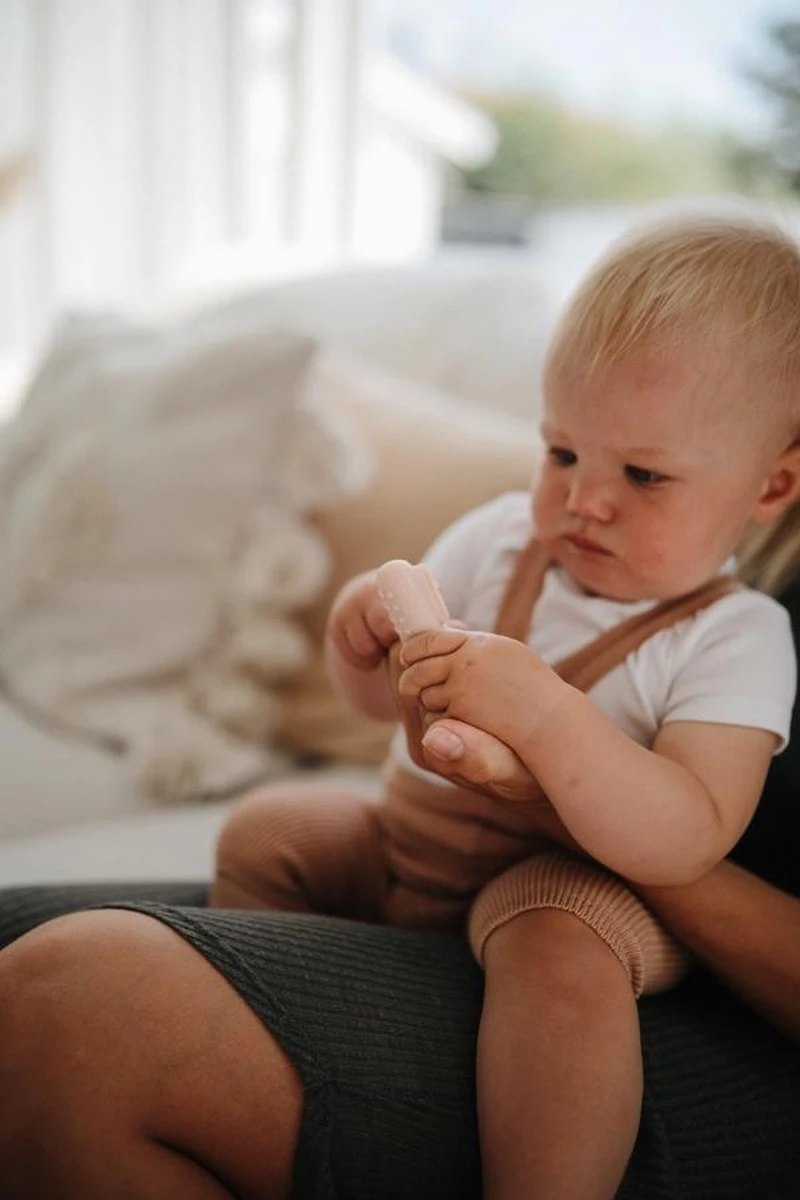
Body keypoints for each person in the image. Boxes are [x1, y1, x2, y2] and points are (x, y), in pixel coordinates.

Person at [1, 217, 800, 1200]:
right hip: (411, 842)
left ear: (770, 485)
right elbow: (390, 705)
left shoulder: (734, 636)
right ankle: (273, 1000)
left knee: (558, 947)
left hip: (566, 890)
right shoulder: (502, 539)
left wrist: (546, 719)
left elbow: (686, 835)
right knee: (275, 827)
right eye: (560, 452)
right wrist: (361, 644)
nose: (583, 500)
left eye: (642, 474)